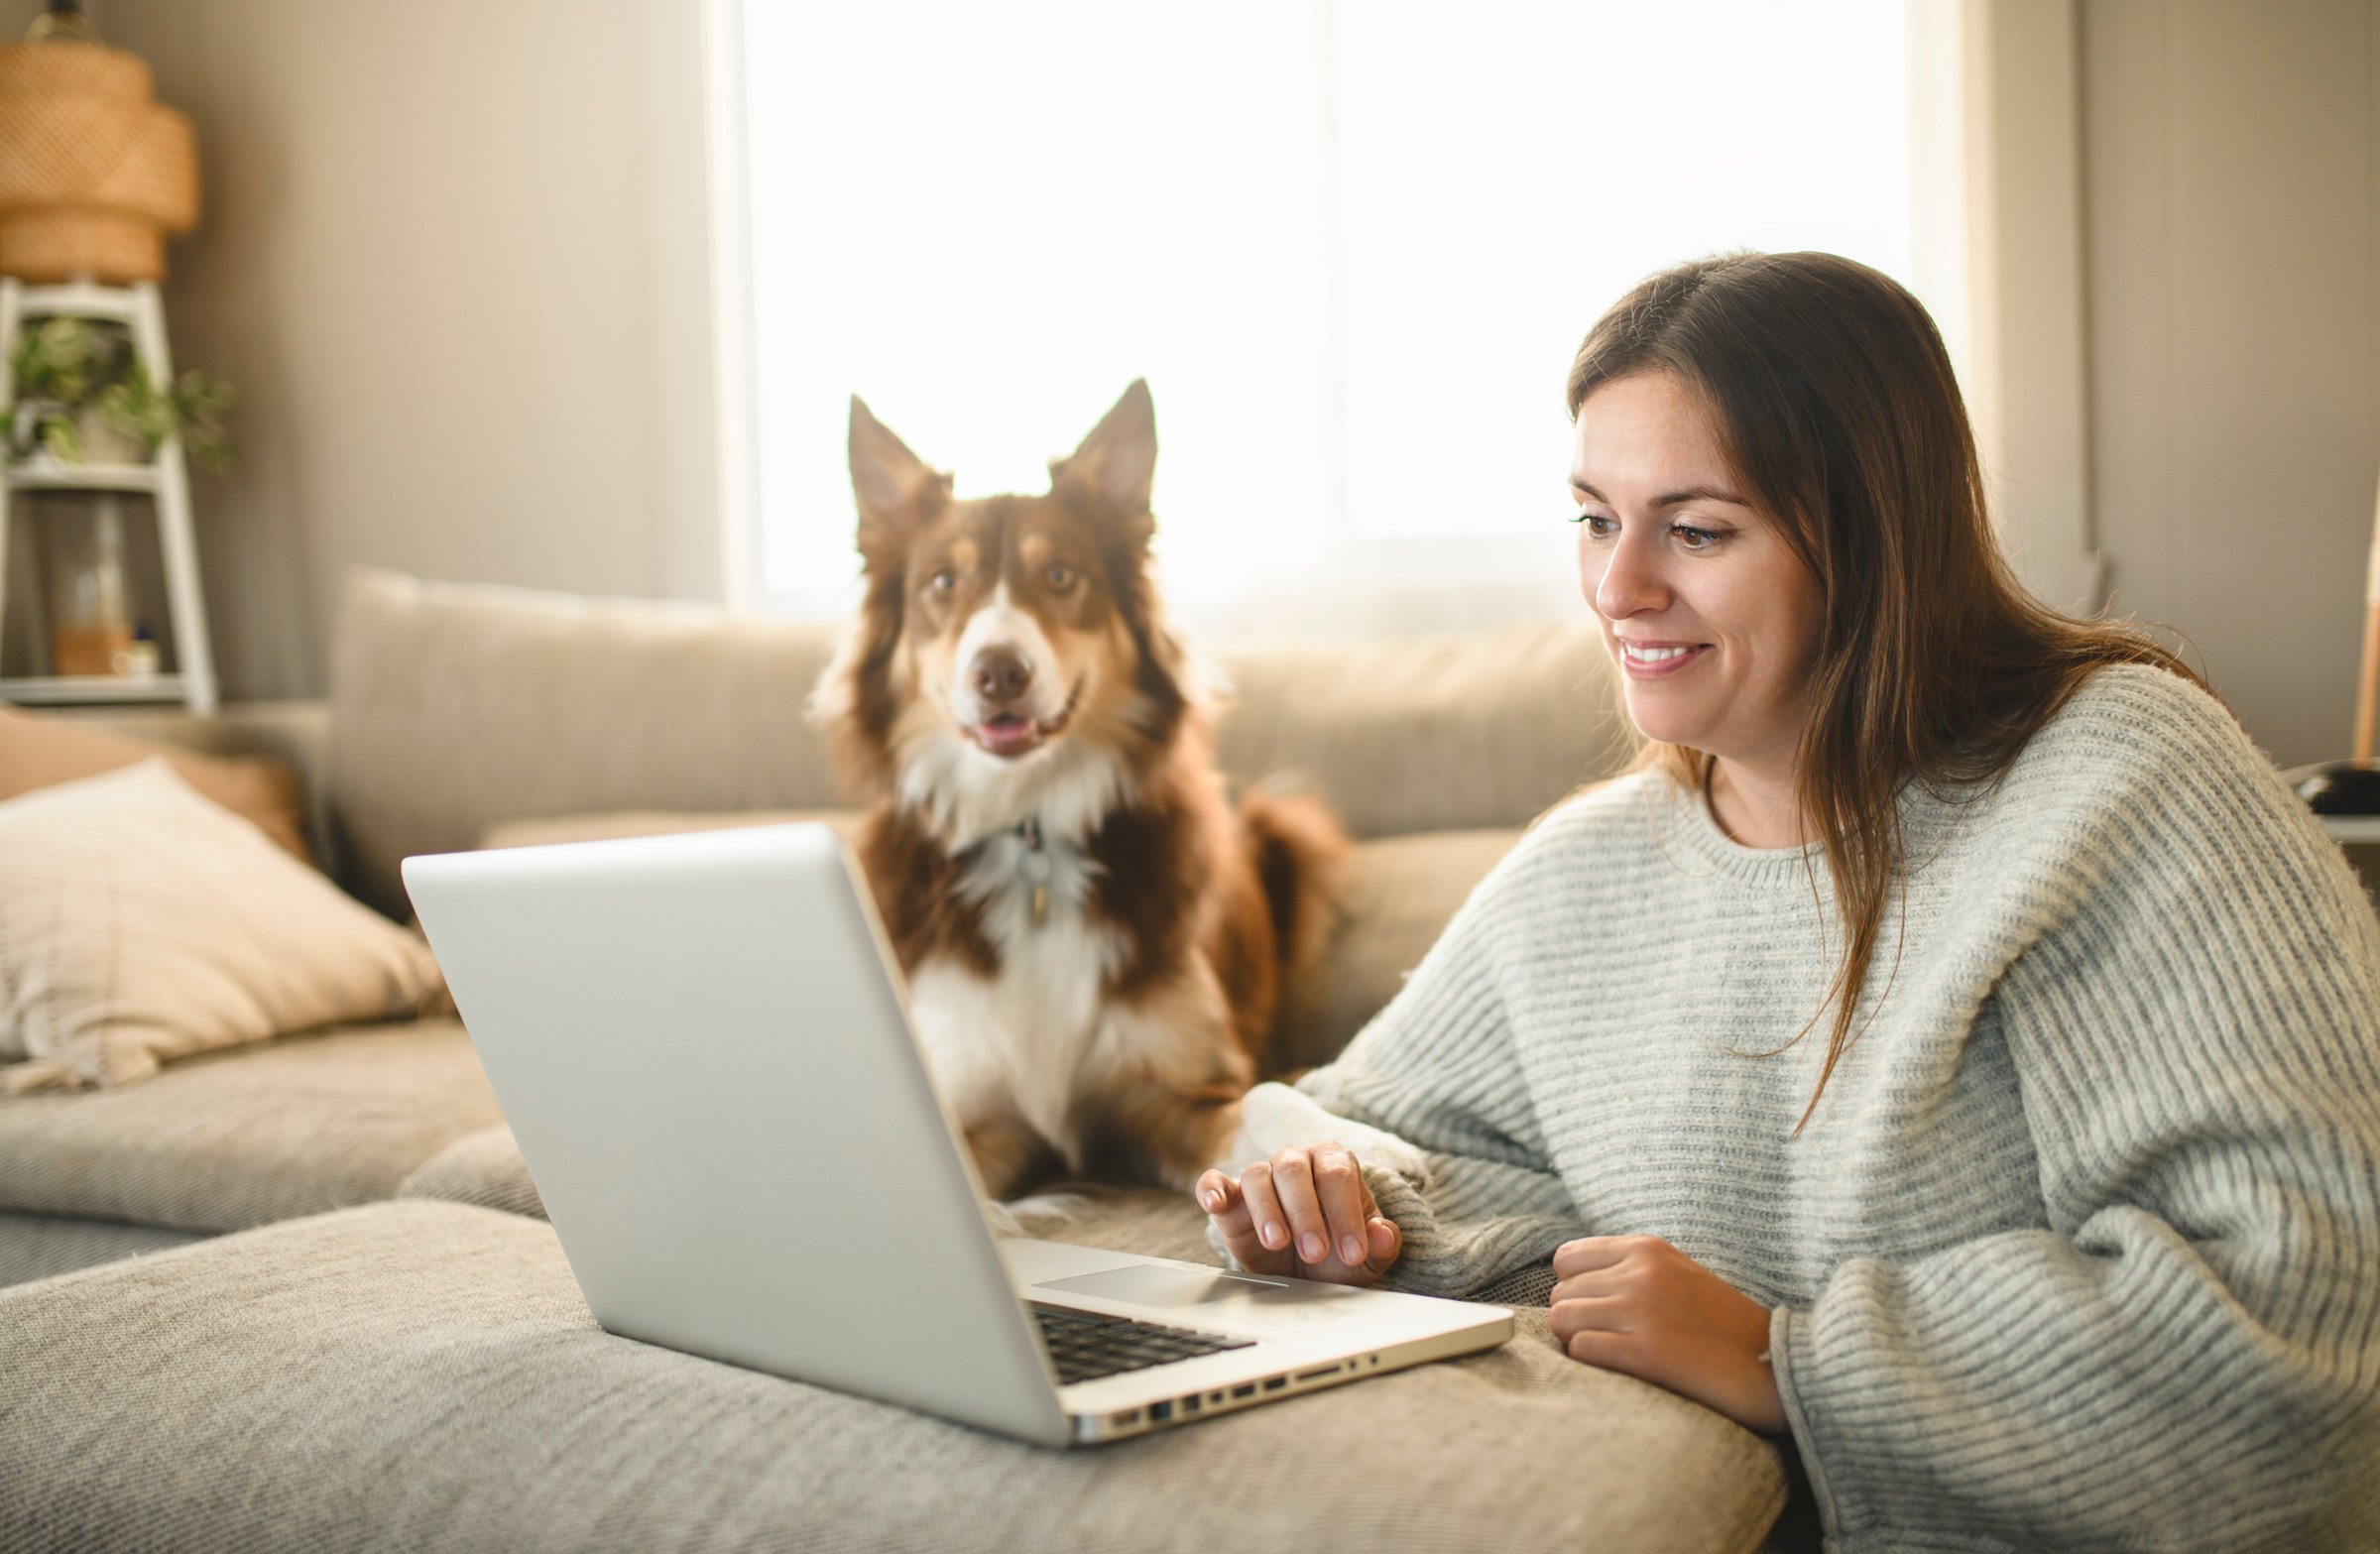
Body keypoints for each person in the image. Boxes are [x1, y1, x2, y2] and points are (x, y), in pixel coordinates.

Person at [1195, 251, 2380, 1549]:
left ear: (1870, 537)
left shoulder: (2120, 777)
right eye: (1596, 517)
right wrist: (1332, 1200)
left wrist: (1783, 1358)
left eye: (1694, 529)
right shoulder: (1578, 875)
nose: (1618, 586)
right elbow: (1353, 1126)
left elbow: (2313, 1309)